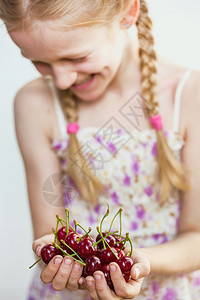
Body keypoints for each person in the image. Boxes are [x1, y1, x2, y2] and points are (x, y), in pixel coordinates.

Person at [1, 0, 200, 299]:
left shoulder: (189, 95)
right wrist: (55, 255)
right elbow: (47, 230)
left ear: (128, 13)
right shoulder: (33, 104)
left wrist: (138, 263)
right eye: (39, 62)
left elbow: (196, 235)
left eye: (77, 57)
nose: (62, 80)